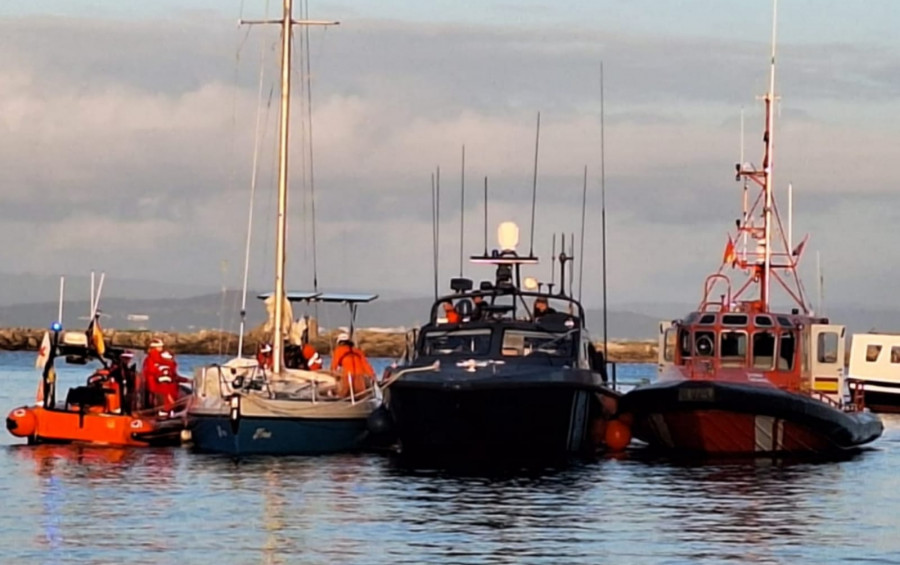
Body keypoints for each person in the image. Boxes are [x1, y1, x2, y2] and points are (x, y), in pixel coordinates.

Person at [330, 332, 375, 398]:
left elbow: (333, 367)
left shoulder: (338, 351)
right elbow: (366, 365)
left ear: (339, 342)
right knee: (361, 396)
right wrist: (373, 376)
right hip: (360, 377)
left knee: (343, 395)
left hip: (347, 377)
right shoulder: (357, 351)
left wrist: (334, 376)